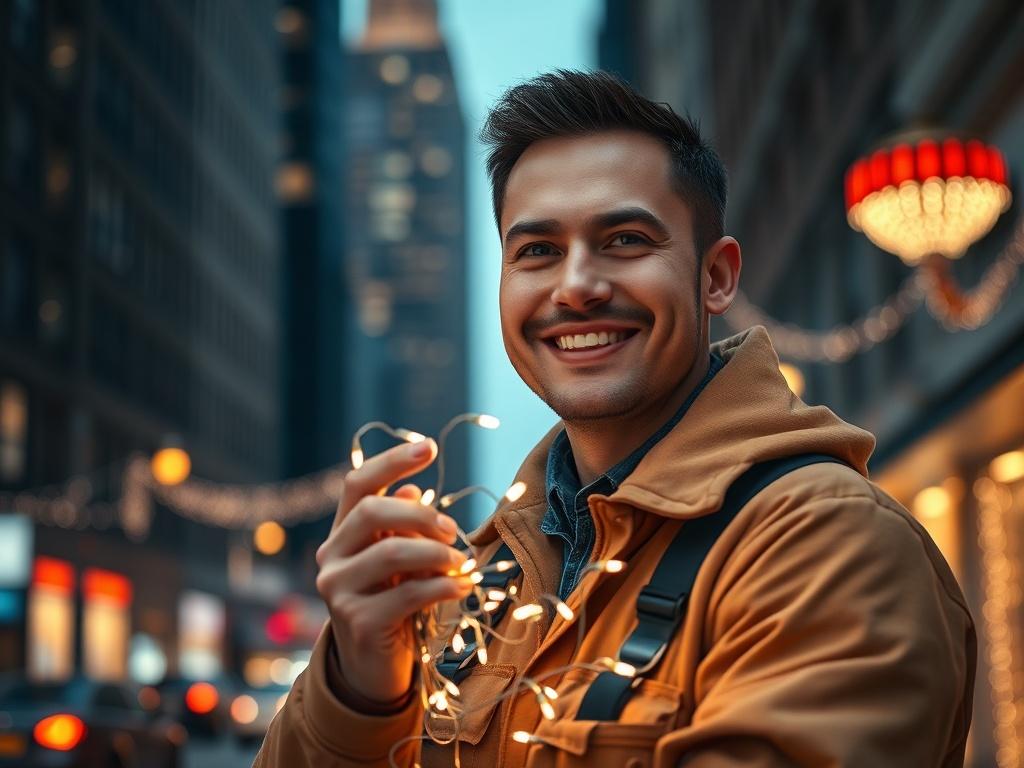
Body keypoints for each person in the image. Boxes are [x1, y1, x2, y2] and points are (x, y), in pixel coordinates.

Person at [255, 70, 975, 767]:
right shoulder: (473, 574)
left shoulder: (829, 545)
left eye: (625, 240)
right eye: (537, 250)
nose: (575, 287)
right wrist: (360, 687)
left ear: (716, 276)